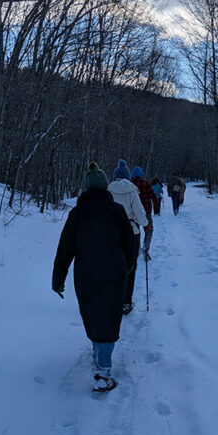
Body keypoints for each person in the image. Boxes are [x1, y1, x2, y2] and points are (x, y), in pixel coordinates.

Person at [52, 162, 134, 393]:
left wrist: (58, 279)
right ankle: (103, 365)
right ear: (105, 186)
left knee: (93, 315)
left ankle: (101, 364)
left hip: (86, 274)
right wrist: (126, 267)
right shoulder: (117, 211)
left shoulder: (77, 214)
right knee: (109, 317)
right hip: (114, 273)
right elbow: (131, 244)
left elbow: (64, 249)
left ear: (87, 187)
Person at [108, 159, 148, 315]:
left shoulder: (108, 190)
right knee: (130, 267)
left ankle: (113, 298)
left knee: (113, 265)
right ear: (127, 176)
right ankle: (126, 301)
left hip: (113, 232)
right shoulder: (132, 191)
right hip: (131, 233)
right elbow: (140, 214)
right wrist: (145, 223)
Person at [130, 166, 158, 259]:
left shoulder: (130, 184)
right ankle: (146, 248)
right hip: (146, 211)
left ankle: (135, 249)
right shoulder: (145, 183)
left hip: (134, 214)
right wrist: (156, 203)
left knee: (135, 231)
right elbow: (153, 196)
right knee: (149, 229)